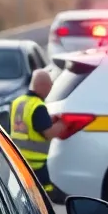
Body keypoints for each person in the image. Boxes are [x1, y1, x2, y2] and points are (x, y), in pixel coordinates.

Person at [10, 69, 67, 203]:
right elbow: (48, 133)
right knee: (45, 194)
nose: (50, 89)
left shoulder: (18, 102)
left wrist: (49, 120)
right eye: (49, 86)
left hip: (18, 159)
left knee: (25, 195)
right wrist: (63, 124)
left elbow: (27, 125)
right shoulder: (38, 106)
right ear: (42, 86)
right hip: (37, 163)